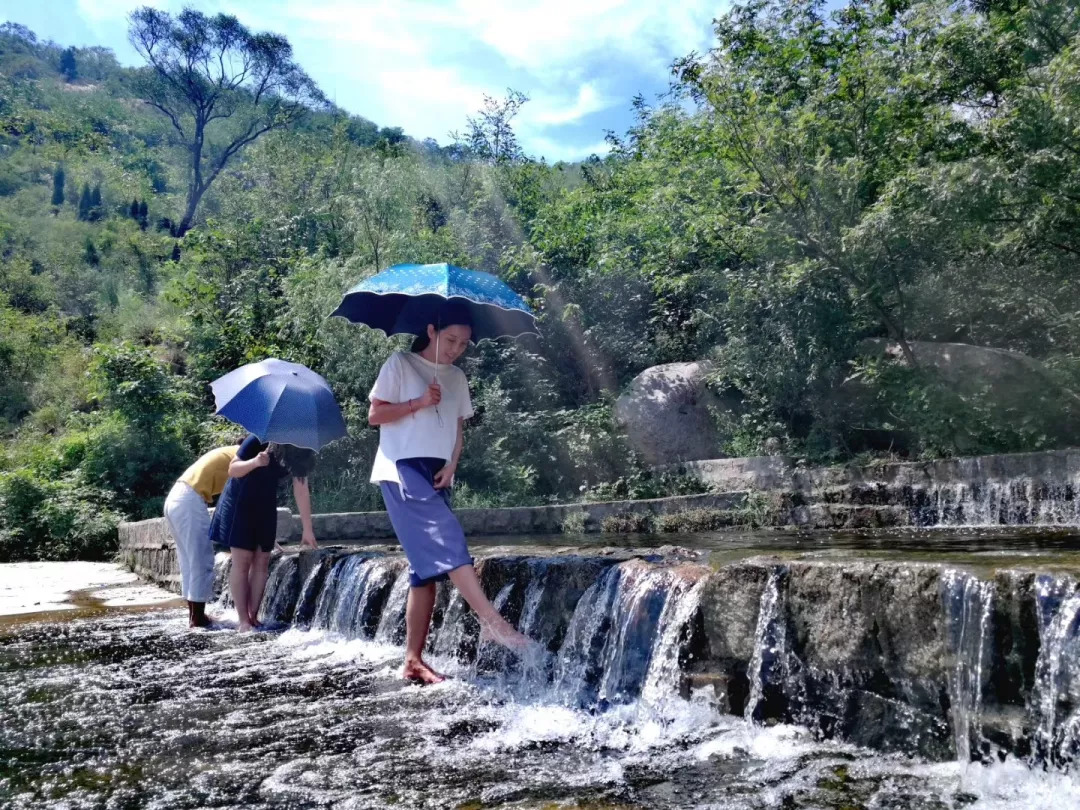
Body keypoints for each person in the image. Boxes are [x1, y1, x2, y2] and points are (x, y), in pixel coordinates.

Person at [369, 300, 530, 685]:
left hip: (438, 470)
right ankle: (492, 622)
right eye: (451, 340)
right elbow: (375, 415)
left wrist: (453, 463)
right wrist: (419, 402)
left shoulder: (456, 377)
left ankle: (412, 660)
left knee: (425, 573)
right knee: (449, 536)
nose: (457, 348)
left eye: (463, 343)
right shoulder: (400, 364)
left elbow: (457, 427)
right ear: (431, 331)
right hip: (401, 467)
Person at [209, 436, 319, 632]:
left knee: (262, 560)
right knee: (242, 561)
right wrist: (256, 462)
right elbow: (233, 470)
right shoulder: (257, 439)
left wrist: (307, 529)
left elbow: (301, 488)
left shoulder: (300, 447)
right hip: (239, 502)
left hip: (266, 504)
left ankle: (254, 616)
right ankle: (243, 621)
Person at [163, 443, 240, 628]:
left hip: (176, 498)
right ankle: (197, 618)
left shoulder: (230, 452)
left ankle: (194, 615)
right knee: (201, 561)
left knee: (189, 561)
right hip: (190, 499)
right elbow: (238, 501)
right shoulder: (242, 457)